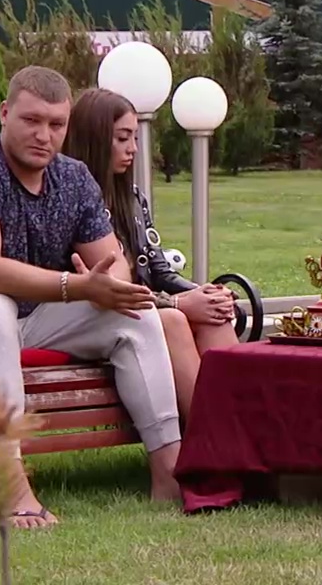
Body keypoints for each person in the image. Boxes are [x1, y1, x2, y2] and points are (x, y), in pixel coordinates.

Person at [0, 66, 183, 530]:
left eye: (56, 124)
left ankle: (170, 472)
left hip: (19, 321)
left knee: (133, 312)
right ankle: (9, 485)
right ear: (5, 113)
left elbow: (114, 269)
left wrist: (106, 282)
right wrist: (75, 286)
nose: (44, 135)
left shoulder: (74, 178)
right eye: (31, 120)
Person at [62, 88, 239, 420]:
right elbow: (106, 291)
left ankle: (237, 431)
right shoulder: (70, 202)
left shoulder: (132, 198)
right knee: (173, 319)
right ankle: (213, 433)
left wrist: (204, 294)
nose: (133, 148)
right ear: (94, 139)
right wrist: (177, 303)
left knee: (214, 315)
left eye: (135, 138)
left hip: (141, 308)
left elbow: (158, 269)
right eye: (122, 138)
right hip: (94, 316)